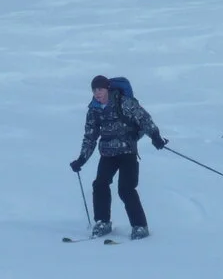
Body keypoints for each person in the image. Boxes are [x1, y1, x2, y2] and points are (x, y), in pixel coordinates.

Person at [70, 75, 168, 239]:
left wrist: (156, 137)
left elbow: (144, 118)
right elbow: (90, 137)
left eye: (100, 89)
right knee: (100, 184)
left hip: (127, 151)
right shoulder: (94, 109)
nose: (97, 93)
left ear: (107, 89)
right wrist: (81, 159)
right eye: (94, 90)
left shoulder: (124, 102)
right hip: (107, 153)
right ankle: (103, 222)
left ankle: (140, 226)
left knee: (126, 189)